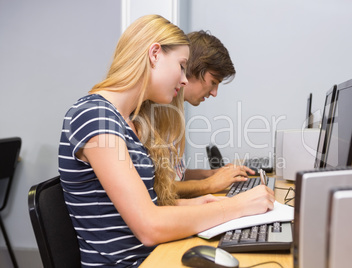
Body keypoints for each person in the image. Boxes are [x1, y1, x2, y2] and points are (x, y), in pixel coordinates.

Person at [58, 15, 275, 267]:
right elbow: (149, 226)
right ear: (154, 54)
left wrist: (192, 204)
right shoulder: (94, 116)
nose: (184, 79)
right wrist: (236, 207)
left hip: (152, 256)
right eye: (182, 66)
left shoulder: (125, 121)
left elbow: (142, 205)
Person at [173, 30, 255, 198]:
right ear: (193, 69)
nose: (215, 93)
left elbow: (175, 175)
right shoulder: (157, 112)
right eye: (213, 83)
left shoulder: (175, 112)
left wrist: (213, 174)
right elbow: (157, 188)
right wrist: (209, 184)